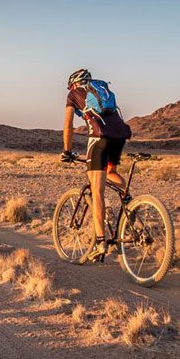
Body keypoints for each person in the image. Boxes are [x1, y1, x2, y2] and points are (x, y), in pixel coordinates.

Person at [61, 68, 132, 261]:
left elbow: (68, 125)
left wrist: (67, 151)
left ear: (73, 84)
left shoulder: (73, 93)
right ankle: (129, 201)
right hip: (119, 135)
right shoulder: (102, 91)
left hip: (99, 137)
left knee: (97, 189)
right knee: (111, 171)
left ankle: (101, 242)